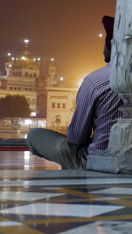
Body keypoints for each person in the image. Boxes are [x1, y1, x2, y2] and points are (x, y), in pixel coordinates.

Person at [26, 16, 122, 169]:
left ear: (110, 46)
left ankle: (73, 173)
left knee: (34, 136)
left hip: (99, 162)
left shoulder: (95, 82)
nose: (102, 49)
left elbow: (76, 139)